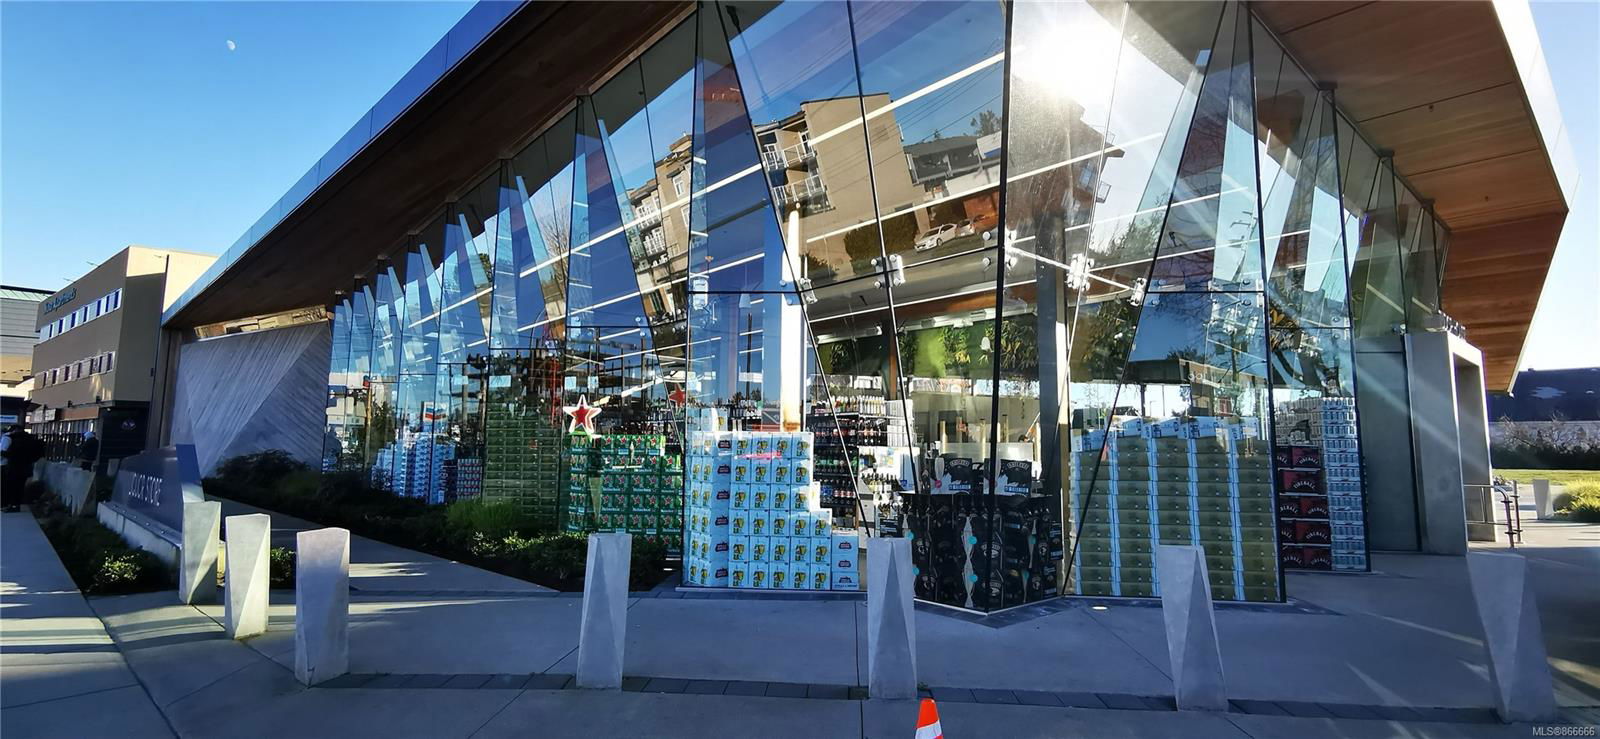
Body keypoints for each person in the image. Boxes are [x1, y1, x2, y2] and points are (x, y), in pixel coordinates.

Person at [1, 425, 45, 511]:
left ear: (16, 430)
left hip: (15, 467)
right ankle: (16, 505)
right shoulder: (30, 439)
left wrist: (3, 453)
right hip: (26, 467)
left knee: (12, 487)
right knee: (20, 487)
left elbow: (14, 454)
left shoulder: (16, 440)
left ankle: (13, 505)